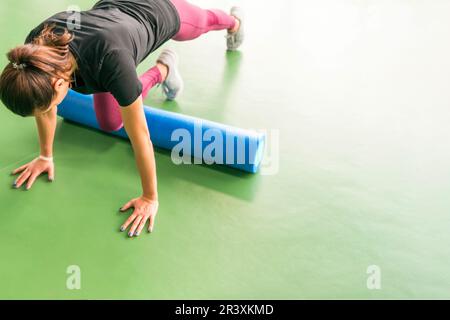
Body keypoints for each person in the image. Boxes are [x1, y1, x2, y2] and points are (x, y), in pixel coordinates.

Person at [0, 0, 244, 238]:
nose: (46, 111)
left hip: (157, 11)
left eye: (48, 106)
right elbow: (45, 108)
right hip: (111, 21)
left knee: (201, 22)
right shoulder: (34, 54)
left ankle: (233, 22)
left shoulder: (112, 62)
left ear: (60, 84)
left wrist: (150, 198)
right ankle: (163, 70)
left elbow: (140, 136)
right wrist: (45, 156)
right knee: (110, 122)